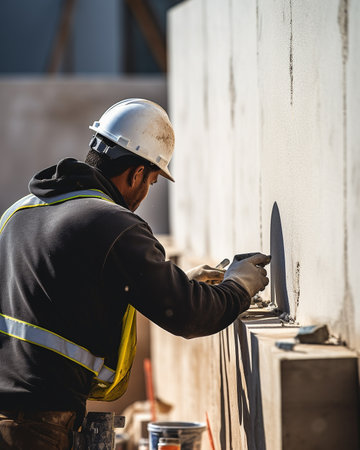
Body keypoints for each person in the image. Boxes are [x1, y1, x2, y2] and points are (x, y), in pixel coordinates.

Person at [0, 98, 270, 449]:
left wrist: (172, 279)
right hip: (35, 427)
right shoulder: (113, 224)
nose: (144, 193)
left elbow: (60, 292)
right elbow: (187, 314)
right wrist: (238, 287)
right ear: (136, 173)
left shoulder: (18, 213)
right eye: (152, 182)